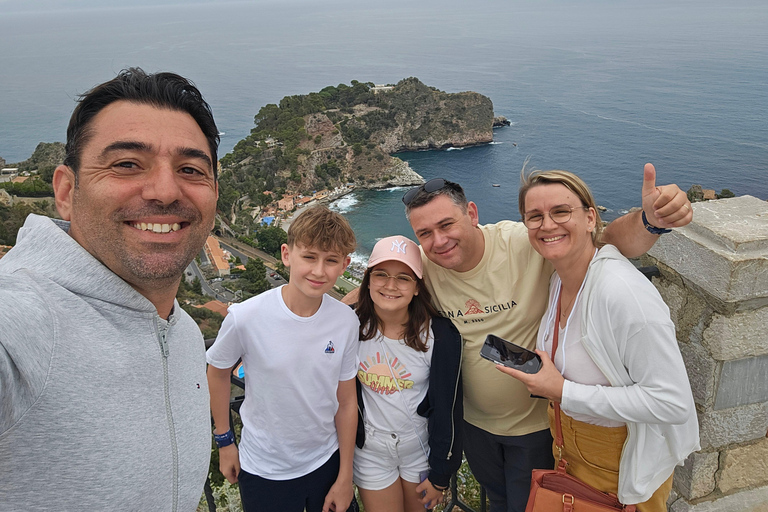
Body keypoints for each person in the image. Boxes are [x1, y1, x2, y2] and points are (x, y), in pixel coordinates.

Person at [398, 165, 693, 512]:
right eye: (425, 232)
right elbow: (376, 289)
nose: (439, 240)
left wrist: (649, 221)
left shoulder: (530, 246)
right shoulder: (429, 265)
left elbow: (606, 238)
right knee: (499, 501)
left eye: (447, 224)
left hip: (539, 428)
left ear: (472, 213)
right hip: (477, 427)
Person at [0, 68, 219, 510]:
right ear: (66, 190)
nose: (164, 190)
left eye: (190, 169)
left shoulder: (186, 334)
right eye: (126, 164)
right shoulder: (23, 322)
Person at [496, 169, 699, 510]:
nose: (547, 225)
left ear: (590, 217)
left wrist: (562, 391)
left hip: (621, 467)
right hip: (570, 456)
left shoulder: (622, 292)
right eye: (535, 216)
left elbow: (672, 403)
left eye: (561, 212)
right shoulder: (559, 280)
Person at [206, 205, 359, 512]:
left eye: (330, 261)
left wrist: (345, 476)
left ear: (345, 265)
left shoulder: (346, 321)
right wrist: (225, 441)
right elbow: (217, 372)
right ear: (287, 255)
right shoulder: (245, 317)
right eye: (309, 257)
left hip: (326, 462)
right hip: (264, 469)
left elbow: (346, 402)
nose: (319, 271)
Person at [353, 235, 463, 512]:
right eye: (381, 275)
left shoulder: (439, 336)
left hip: (419, 451)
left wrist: (440, 475)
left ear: (417, 287)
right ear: (368, 281)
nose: (390, 286)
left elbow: (449, 408)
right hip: (371, 453)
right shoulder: (349, 327)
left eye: (403, 278)